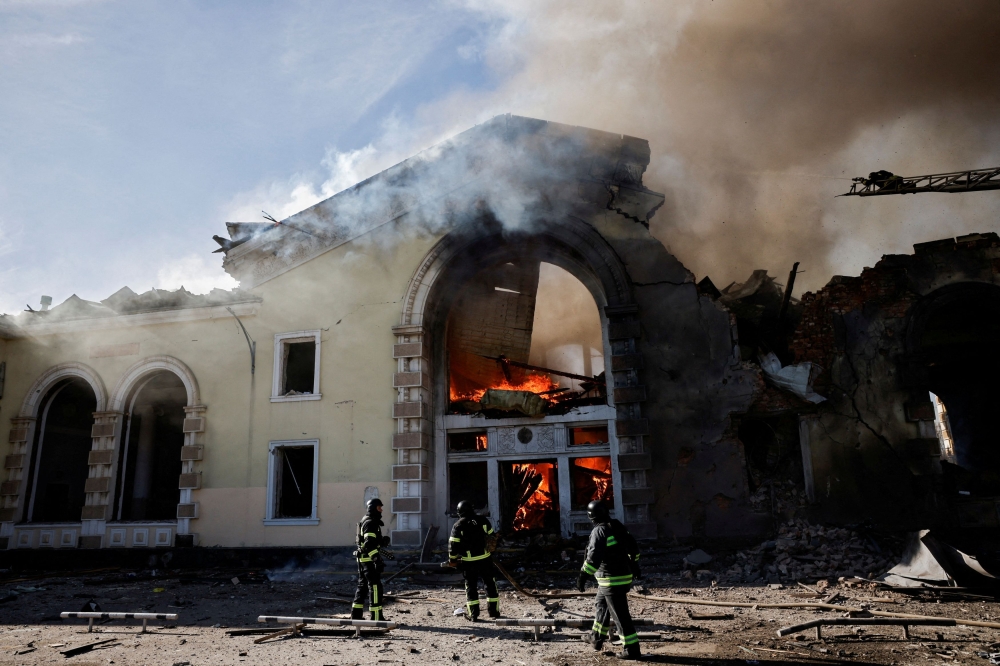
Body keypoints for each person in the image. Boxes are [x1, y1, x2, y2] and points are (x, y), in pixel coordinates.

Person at [577, 500, 641, 659]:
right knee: (601, 604)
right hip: (621, 577)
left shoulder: (599, 531)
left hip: (612, 580)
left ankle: (631, 650)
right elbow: (634, 548)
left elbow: (593, 559)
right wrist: (634, 565)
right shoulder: (618, 526)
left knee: (620, 615)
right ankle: (596, 638)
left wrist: (583, 576)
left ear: (591, 517)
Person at [448, 500, 501, 621]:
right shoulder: (482, 520)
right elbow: (492, 537)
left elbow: (453, 545)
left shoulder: (458, 525)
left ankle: (474, 615)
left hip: (469, 561)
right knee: (490, 585)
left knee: (471, 587)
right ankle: (494, 612)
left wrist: (452, 560)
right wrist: (490, 551)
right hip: (485, 559)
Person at [352, 497, 390, 621]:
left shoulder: (366, 521)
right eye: (379, 508)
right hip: (368, 560)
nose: (381, 510)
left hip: (363, 560)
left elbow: (369, 541)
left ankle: (356, 616)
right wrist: (377, 559)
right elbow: (369, 545)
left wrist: (381, 541)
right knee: (375, 587)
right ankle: (377, 618)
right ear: (373, 509)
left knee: (362, 586)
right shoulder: (371, 523)